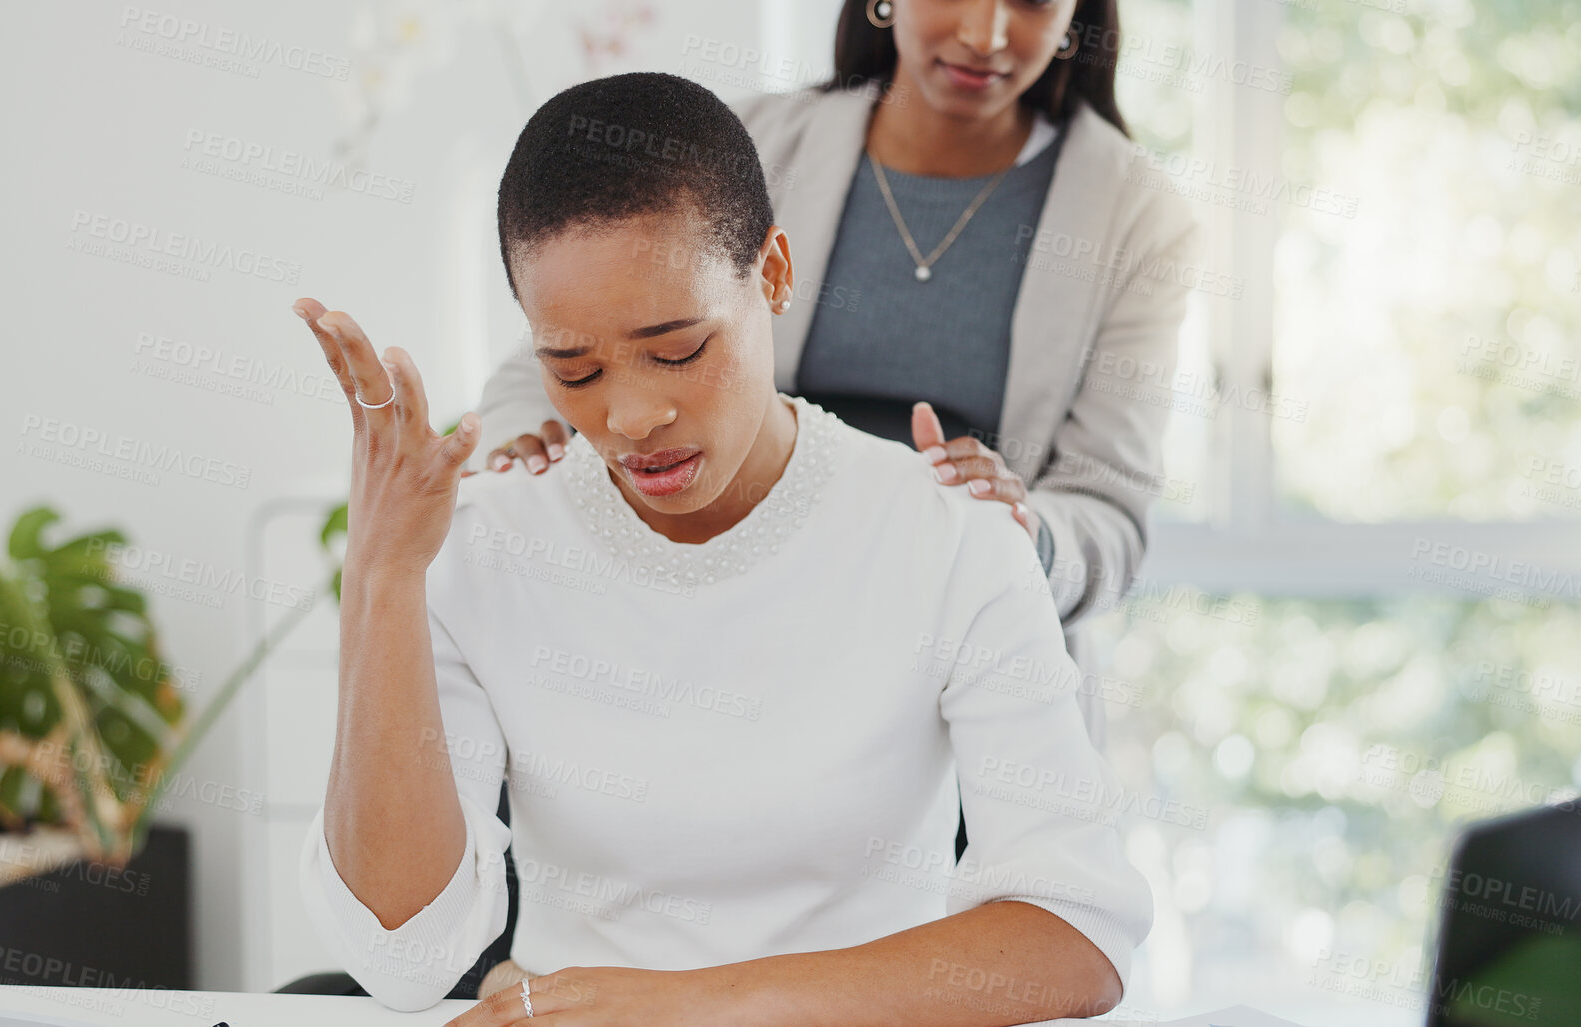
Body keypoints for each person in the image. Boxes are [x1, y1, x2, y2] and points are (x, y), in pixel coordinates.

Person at [291, 72, 1151, 1025]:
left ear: (774, 274)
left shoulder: (950, 537)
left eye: (677, 349)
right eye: (572, 369)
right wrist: (382, 576)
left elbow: (1075, 937)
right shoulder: (481, 546)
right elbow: (407, 958)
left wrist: (691, 1005)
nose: (630, 416)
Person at [473, 0, 1198, 713]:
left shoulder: (1134, 216)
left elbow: (1110, 511)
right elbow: (564, 348)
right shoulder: (751, 143)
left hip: (958, 671)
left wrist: (1022, 537)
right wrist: (519, 455)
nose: (985, 33)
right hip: (723, 641)